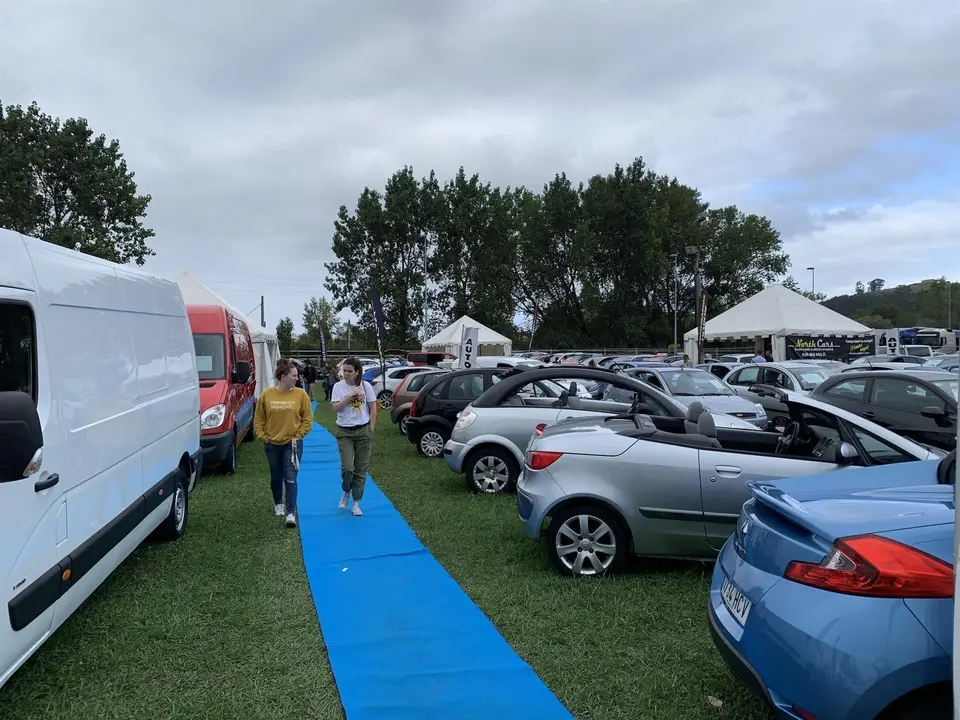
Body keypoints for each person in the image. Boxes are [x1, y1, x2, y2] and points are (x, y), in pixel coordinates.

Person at [254, 358, 313, 528]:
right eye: (294, 375)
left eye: (298, 375)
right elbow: (258, 420)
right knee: (276, 476)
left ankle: (290, 512)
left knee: (290, 478)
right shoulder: (266, 395)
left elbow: (307, 420)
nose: (298, 378)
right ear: (283, 376)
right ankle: (278, 503)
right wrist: (263, 437)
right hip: (272, 444)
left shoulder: (301, 395)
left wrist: (298, 435)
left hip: (292, 444)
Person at [331, 357, 376, 517]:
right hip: (345, 432)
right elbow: (335, 408)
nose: (347, 374)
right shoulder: (338, 386)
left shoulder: (366, 386)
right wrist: (349, 396)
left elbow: (373, 408)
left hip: (363, 431)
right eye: (345, 370)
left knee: (360, 469)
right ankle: (346, 492)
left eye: (350, 371)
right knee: (348, 468)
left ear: (357, 372)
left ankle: (356, 503)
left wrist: (370, 429)